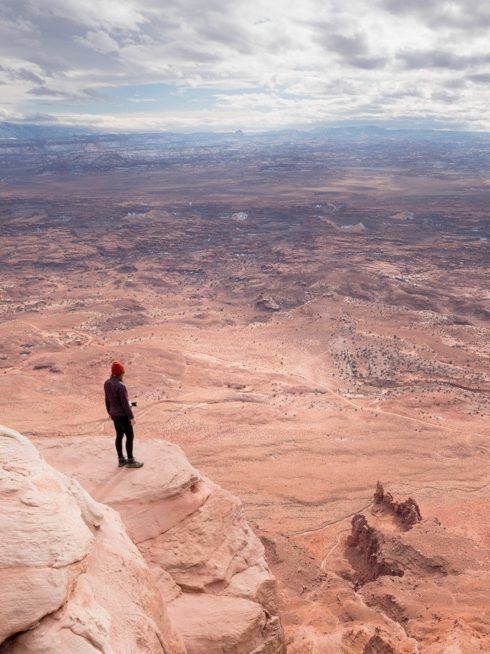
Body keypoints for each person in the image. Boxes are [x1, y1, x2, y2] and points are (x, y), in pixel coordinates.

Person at [104, 361, 144, 468]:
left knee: (119, 435)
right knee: (130, 436)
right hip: (122, 415)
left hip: (114, 415)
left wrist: (109, 412)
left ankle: (121, 460)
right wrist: (131, 417)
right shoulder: (121, 386)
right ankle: (130, 461)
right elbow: (125, 404)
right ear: (121, 373)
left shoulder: (107, 383)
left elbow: (107, 400)